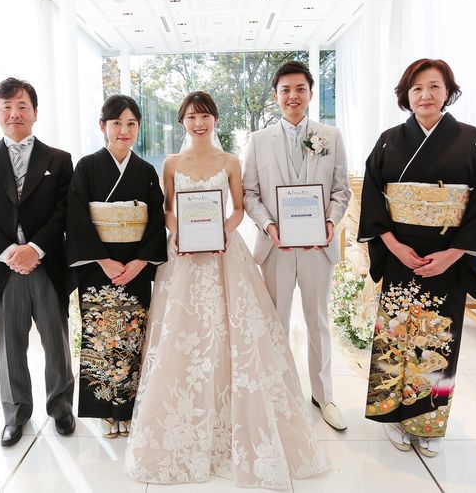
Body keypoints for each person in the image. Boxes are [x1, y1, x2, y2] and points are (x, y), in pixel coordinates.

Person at [125, 91, 327, 490]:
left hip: (224, 251)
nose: (198, 123)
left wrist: (222, 230)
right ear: (182, 122)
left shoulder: (230, 161)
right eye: (191, 117)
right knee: (185, 333)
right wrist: (182, 232)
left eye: (205, 116)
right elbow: (168, 209)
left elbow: (238, 207)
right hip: (185, 254)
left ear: (214, 119)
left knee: (234, 331)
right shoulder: (171, 163)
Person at [358, 58, 476, 457]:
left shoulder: (472, 140)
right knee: (395, 338)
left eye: (434, 86)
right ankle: (392, 417)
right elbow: (373, 198)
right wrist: (394, 246)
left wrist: (454, 253)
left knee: (438, 340)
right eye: (416, 88)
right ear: (406, 96)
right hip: (401, 256)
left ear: (448, 91)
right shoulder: (388, 141)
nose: (425, 95)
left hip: (448, 260)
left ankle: (428, 422)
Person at [0, 77, 75, 447]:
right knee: (10, 346)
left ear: (35, 113)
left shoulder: (59, 160)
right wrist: (11, 252)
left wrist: (35, 248)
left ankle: (61, 408)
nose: (15, 113)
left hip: (47, 264)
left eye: (22, 106)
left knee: (56, 341)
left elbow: (64, 211)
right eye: (7, 107)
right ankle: (15, 414)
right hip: (4, 268)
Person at [243, 61, 350, 431]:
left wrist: (330, 222)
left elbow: (341, 190)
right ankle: (278, 393)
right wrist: (268, 225)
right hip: (277, 248)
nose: (293, 96)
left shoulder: (330, 136)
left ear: (310, 93)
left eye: (300, 89)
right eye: (285, 90)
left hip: (318, 248)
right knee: (276, 321)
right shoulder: (258, 141)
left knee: (318, 321)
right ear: (276, 96)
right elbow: (250, 193)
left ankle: (324, 395)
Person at [66, 95, 167, 438]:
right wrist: (104, 260)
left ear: (139, 127)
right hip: (98, 266)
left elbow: (155, 222)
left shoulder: (146, 171)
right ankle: (104, 408)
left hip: (134, 267)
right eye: (116, 123)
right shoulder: (86, 167)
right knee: (101, 336)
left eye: (131, 124)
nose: (124, 130)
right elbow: (77, 218)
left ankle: (127, 407)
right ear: (102, 126)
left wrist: (140, 262)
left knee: (132, 337)